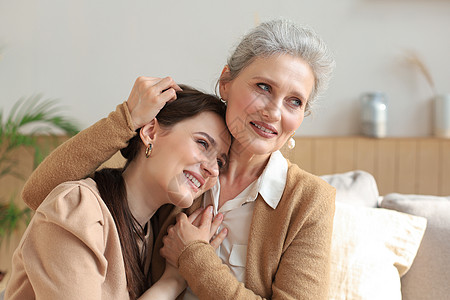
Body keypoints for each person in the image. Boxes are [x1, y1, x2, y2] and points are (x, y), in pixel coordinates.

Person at [19, 19, 336, 299]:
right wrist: (126, 119)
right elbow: (45, 198)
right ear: (226, 81)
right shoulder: (177, 181)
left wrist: (194, 258)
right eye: (263, 87)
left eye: (295, 101)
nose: (274, 111)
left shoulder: (307, 200)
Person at [5, 85, 231, 300]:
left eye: (220, 162)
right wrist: (172, 282)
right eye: (202, 143)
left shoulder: (151, 236)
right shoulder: (78, 207)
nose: (212, 168)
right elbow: (34, 193)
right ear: (151, 132)